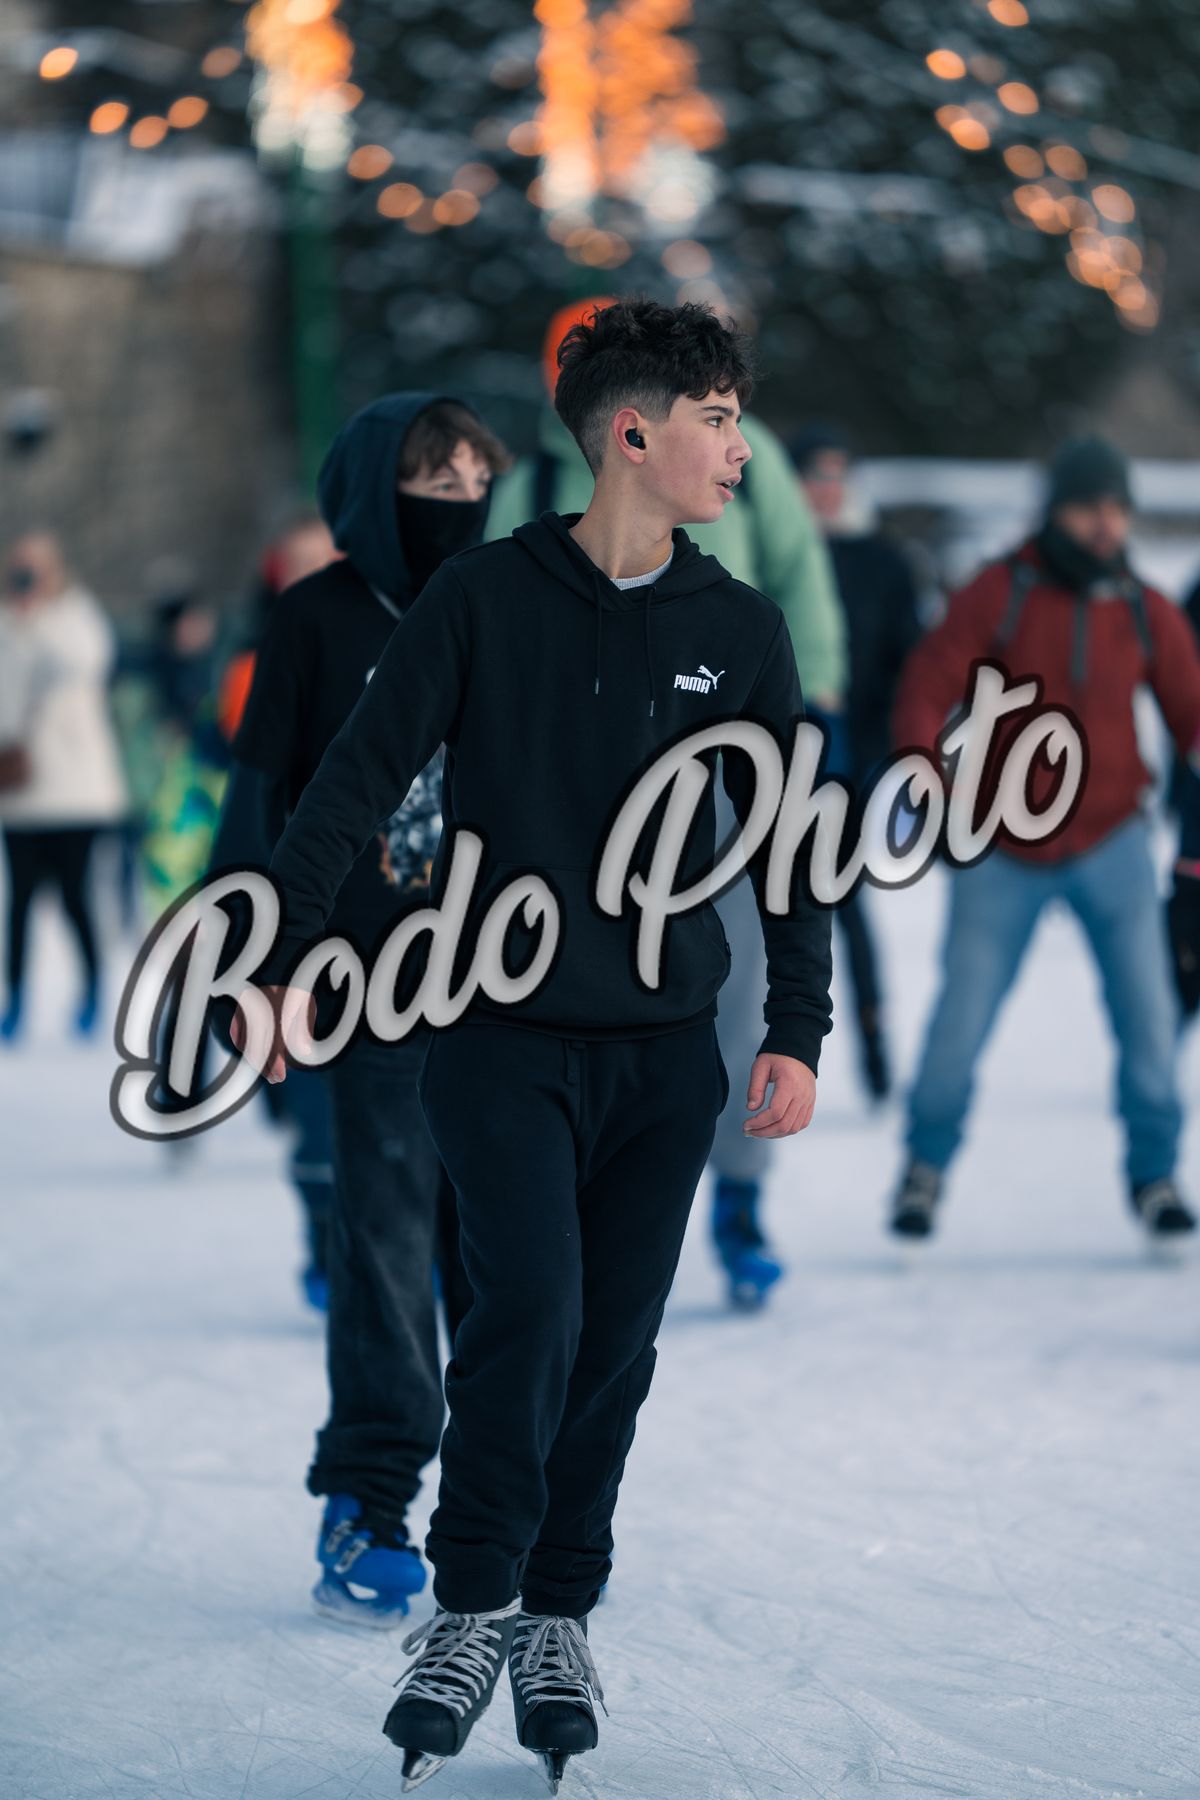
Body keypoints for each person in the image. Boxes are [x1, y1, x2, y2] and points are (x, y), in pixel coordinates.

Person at [237, 298, 833, 1788]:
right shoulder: (483, 602)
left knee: (614, 1344)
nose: (738, 449)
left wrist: (797, 1026)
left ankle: (557, 1612)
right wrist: (279, 955)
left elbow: (787, 854)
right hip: (497, 1038)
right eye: (716, 421)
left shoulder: (739, 629)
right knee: (531, 1316)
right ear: (632, 434)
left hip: (666, 1056)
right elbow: (351, 783)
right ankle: (470, 1606)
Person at [486, 296, 848, 1310]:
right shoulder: (529, 485)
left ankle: (738, 1196)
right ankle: (556, 1219)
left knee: (729, 1003)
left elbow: (801, 578)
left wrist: (811, 714)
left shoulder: (735, 460)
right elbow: (484, 635)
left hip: (716, 777)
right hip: (565, 801)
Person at [213, 394, 507, 1626]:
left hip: (505, 983)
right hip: (364, 985)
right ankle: (370, 1499)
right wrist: (243, 965)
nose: (460, 500)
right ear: (379, 495)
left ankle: (503, 1503)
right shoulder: (316, 618)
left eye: (475, 480)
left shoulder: (507, 606)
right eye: (434, 482)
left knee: (507, 1261)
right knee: (384, 1247)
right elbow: (259, 800)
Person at [890, 436, 1200, 1246]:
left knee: (1149, 1019)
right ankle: (924, 1167)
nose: (1106, 524)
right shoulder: (1002, 592)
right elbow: (928, 686)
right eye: (1090, 507)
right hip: (1002, 844)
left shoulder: (1142, 607)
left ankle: (1156, 1175)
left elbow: (1192, 712)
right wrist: (924, 774)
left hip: (1112, 841)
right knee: (960, 1022)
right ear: (1056, 511)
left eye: (1118, 509)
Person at [789, 421, 924, 1103]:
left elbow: (909, 664)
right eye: (816, 474)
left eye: (838, 475)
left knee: (842, 910)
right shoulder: (770, 553)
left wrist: (886, 757)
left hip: (846, 765)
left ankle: (873, 1043)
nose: (828, 488)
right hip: (769, 764)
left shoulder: (882, 561)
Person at [0, 533, 129, 1041]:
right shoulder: (6, 623)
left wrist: (37, 619)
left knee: (76, 898)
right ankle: (15, 1000)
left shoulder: (77, 618)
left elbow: (83, 665)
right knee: (20, 903)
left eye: (36, 567)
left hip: (76, 792)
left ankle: (93, 990)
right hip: (21, 792)